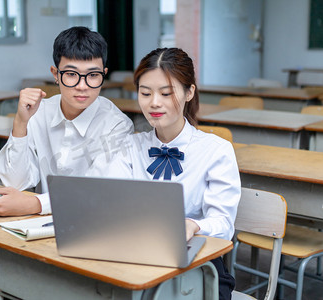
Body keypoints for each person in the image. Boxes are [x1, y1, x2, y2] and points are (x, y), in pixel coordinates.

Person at [87, 47, 240, 300]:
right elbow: (109, 200)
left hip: (197, 267)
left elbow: (224, 225)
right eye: (145, 93)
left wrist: (193, 225)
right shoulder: (129, 146)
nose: (154, 102)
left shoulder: (216, 151)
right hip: (135, 257)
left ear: (189, 92)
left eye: (166, 93)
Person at [0, 26, 133, 216]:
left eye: (93, 75)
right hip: (39, 223)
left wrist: (35, 204)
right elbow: (15, 183)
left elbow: (98, 189)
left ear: (104, 73)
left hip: (92, 220)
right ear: (55, 74)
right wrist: (20, 123)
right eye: (71, 74)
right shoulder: (39, 113)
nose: (82, 86)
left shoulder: (117, 125)